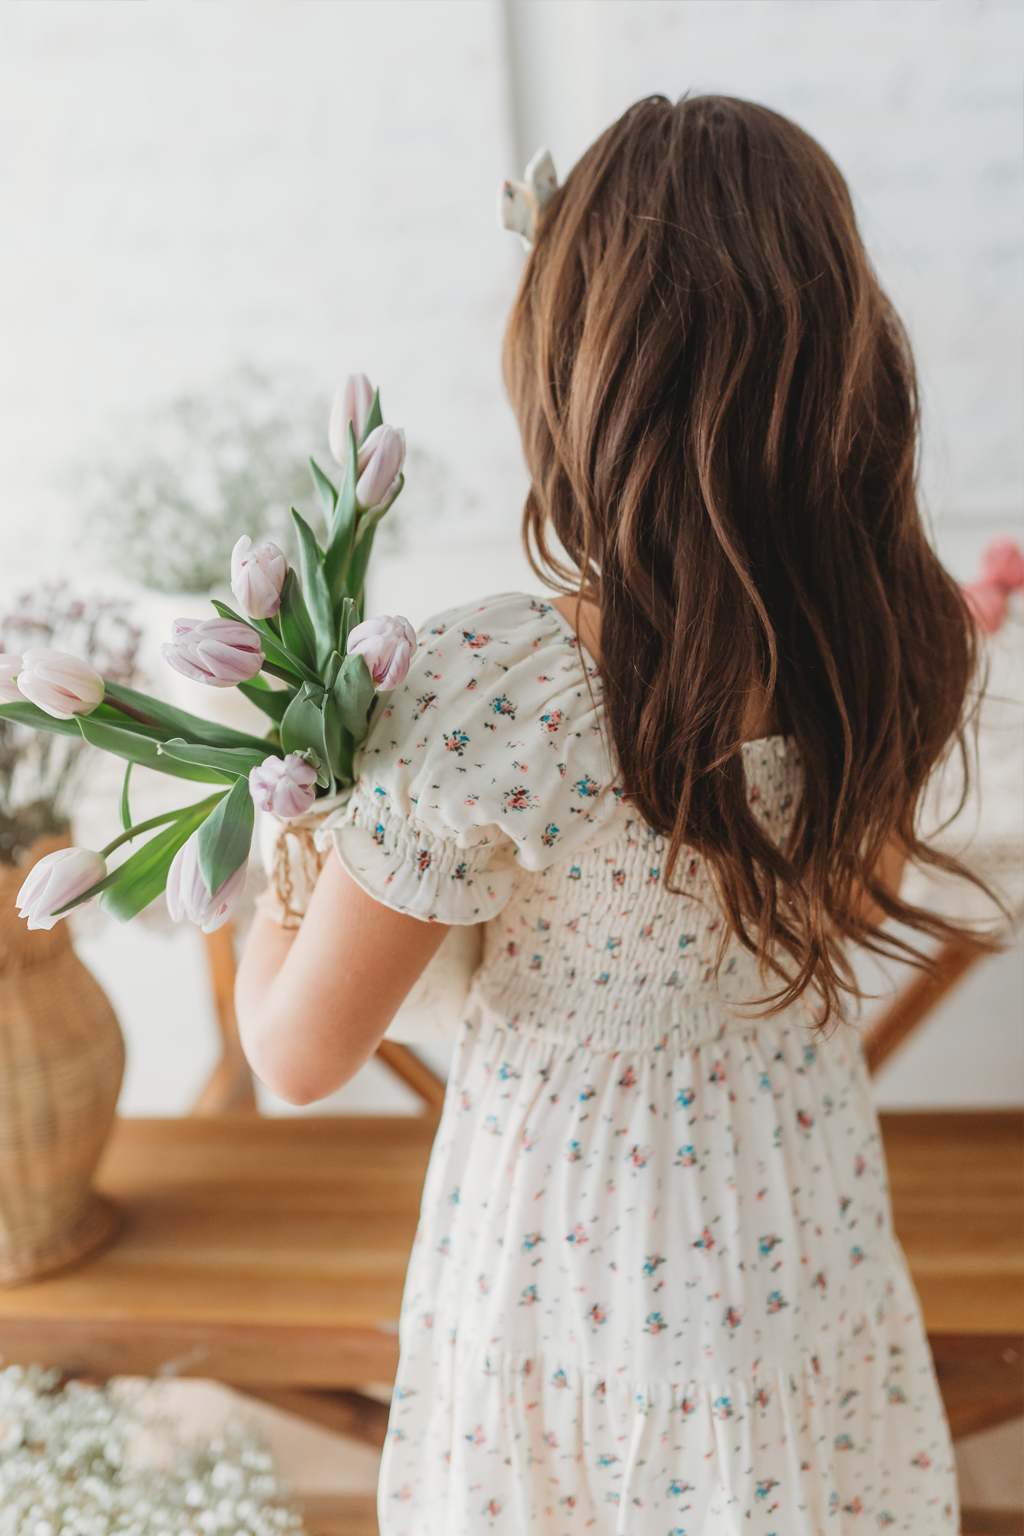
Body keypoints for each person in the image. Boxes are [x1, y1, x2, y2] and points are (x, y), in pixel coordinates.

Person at [236, 95, 984, 1534]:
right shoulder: (902, 637)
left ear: (576, 370)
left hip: (574, 1268)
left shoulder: (491, 688)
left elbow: (297, 1054)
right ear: (847, 359)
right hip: (796, 1219)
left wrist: (294, 837)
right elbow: (848, 900)